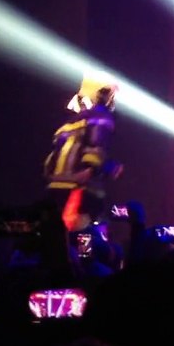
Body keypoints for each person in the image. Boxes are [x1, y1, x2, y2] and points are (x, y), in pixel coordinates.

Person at [44, 75, 123, 230]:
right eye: (110, 94)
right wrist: (99, 168)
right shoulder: (101, 116)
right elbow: (95, 148)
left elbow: (52, 159)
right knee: (81, 238)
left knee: (57, 236)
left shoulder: (68, 123)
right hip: (79, 190)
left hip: (55, 188)